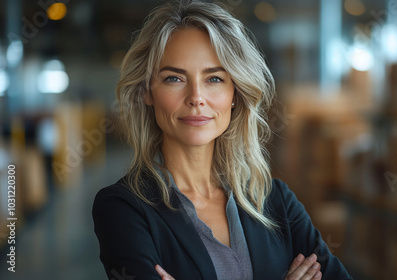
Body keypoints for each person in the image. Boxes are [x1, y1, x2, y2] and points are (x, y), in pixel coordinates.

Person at [92, 0, 352, 279]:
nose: (196, 98)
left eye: (214, 79)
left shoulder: (277, 202)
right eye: (174, 79)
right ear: (147, 91)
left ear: (235, 94)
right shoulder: (123, 210)